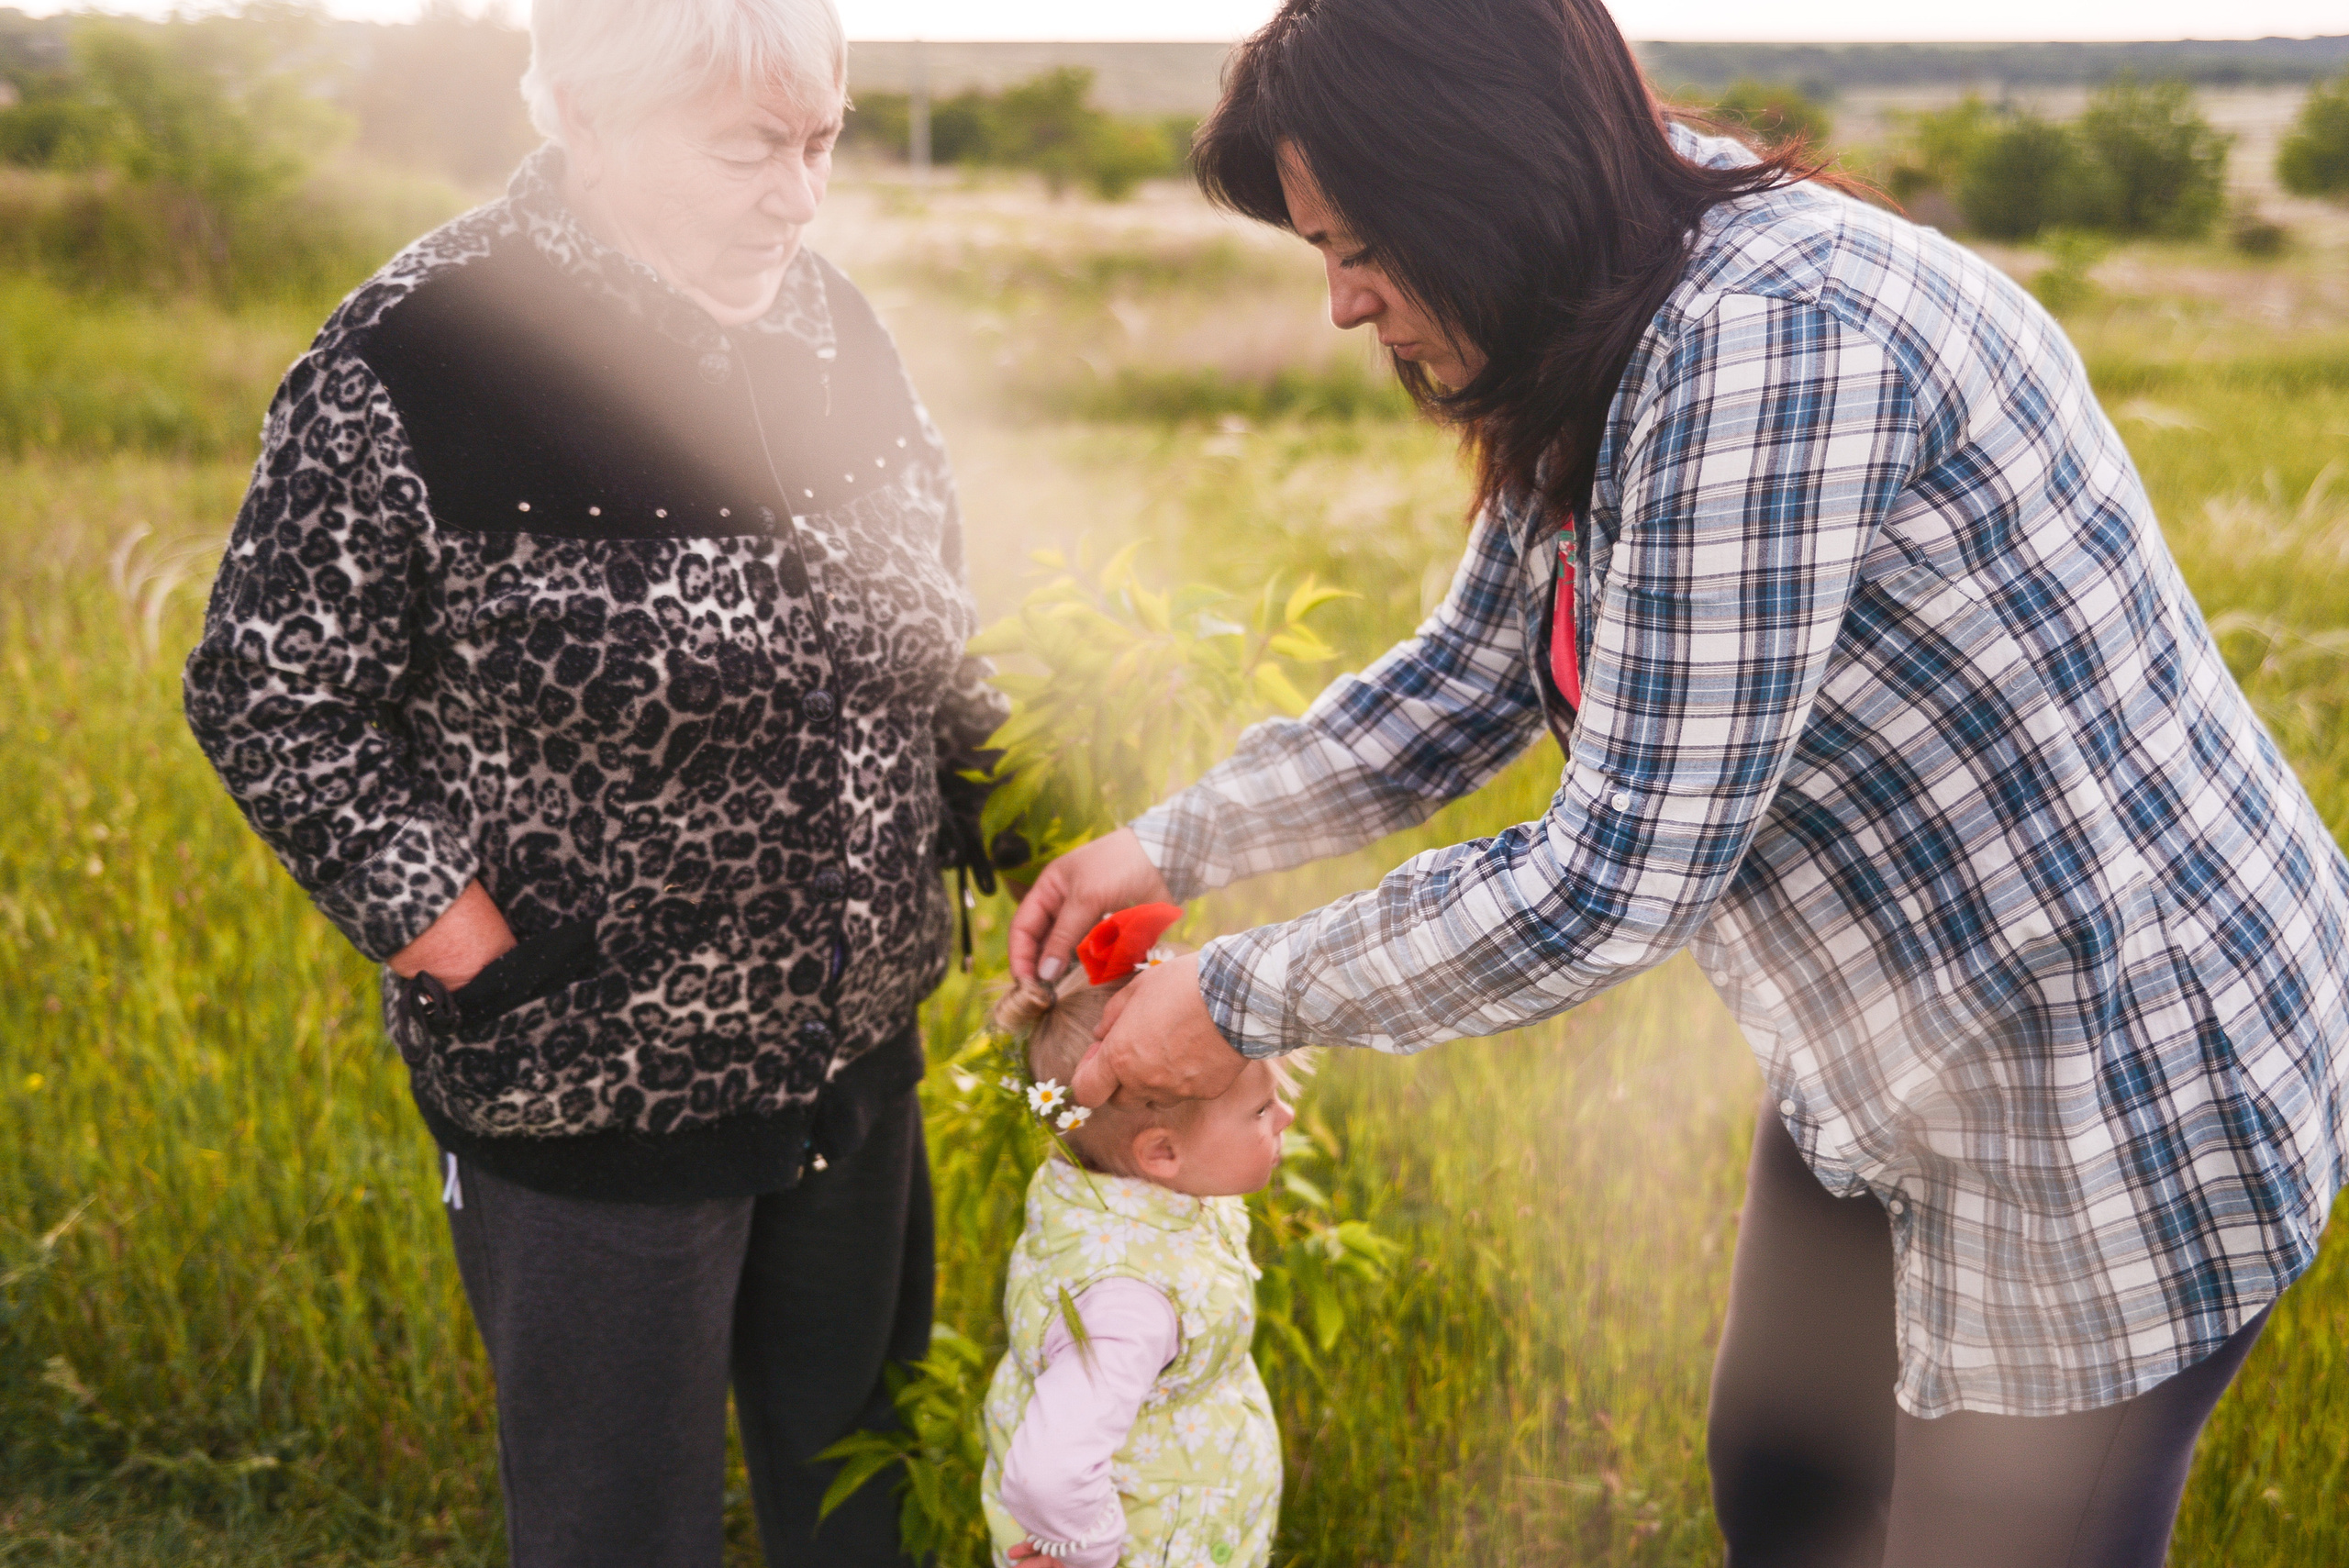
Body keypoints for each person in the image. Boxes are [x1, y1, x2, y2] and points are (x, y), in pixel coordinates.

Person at [1008, 2, 2349, 1563]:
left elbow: (1611, 882)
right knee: (1788, 1482)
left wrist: (1237, 994)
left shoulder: (1767, 346)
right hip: (1892, 1041)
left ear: (1486, 184)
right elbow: (1468, 679)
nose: (1340, 302)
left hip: (2101, 1074)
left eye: (1360, 242)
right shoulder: (1601, 291)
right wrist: (1169, 842)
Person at [180, 1, 1005, 1562]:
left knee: (859, 1506)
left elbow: (930, 636)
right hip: (588, 1089)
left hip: (853, 1066)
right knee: (618, 1530)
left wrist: (1037, 835)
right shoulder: (415, 359)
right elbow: (270, 692)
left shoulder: (834, 323)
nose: (801, 194)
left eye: (820, 140)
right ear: (584, 117)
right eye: (751, 147)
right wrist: (472, 949)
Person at [978, 904, 1289, 1568]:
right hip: (1155, 1544)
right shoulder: (1130, 1301)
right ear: (1161, 1153)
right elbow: (1047, 1472)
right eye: (1262, 1109)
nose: (1286, 1114)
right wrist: (1090, 1555)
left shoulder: (1107, 1197)